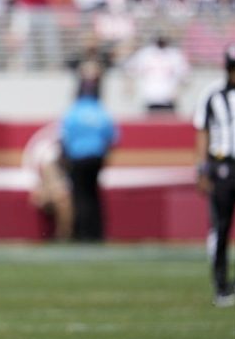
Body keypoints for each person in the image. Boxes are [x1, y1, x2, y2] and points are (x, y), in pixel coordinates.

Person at [194, 43, 235, 307]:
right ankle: (221, 285)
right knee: (221, 229)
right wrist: (201, 169)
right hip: (222, 168)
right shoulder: (213, 95)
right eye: (233, 69)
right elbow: (202, 133)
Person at [60, 83, 118, 242]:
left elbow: (64, 137)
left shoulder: (73, 112)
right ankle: (96, 232)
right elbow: (113, 137)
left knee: (80, 195)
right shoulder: (101, 111)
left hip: (77, 158)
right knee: (93, 194)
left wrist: (65, 158)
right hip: (96, 157)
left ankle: (81, 232)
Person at [123, 35, 191, 114]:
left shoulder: (175, 55)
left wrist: (178, 92)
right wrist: (129, 88)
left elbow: (186, 77)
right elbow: (129, 70)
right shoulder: (145, 54)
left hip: (169, 99)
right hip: (150, 98)